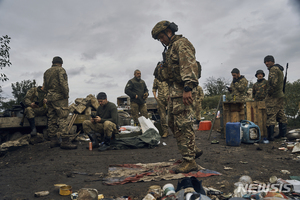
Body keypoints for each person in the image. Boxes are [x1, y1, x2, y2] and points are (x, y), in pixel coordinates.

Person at [151, 20, 203, 173]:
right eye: (159, 38)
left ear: (169, 31)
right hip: (175, 91)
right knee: (172, 123)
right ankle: (191, 150)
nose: (161, 40)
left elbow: (189, 65)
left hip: (183, 89)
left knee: (183, 124)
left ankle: (189, 160)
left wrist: (188, 87)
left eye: (162, 36)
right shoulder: (170, 49)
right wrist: (170, 94)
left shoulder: (182, 44)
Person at [43, 56, 77, 149]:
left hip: (49, 98)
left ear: (52, 62)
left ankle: (53, 141)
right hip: (59, 98)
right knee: (62, 118)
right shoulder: (61, 70)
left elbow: (44, 87)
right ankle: (65, 141)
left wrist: (47, 96)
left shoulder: (46, 72)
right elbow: (63, 84)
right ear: (61, 63)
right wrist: (66, 95)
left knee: (51, 118)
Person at [264, 55, 287, 141]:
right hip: (280, 95)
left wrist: (269, 93)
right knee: (280, 113)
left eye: (268, 61)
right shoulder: (279, 69)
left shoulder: (273, 69)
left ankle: (270, 137)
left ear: (272, 61)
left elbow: (272, 83)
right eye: (265, 62)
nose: (266, 63)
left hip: (273, 96)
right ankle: (282, 134)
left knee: (271, 114)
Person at [152, 62, 169, 138]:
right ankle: (165, 132)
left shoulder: (168, 77)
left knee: (172, 115)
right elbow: (154, 88)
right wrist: (155, 96)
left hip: (169, 98)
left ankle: (175, 131)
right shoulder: (156, 79)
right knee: (162, 116)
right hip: (160, 99)